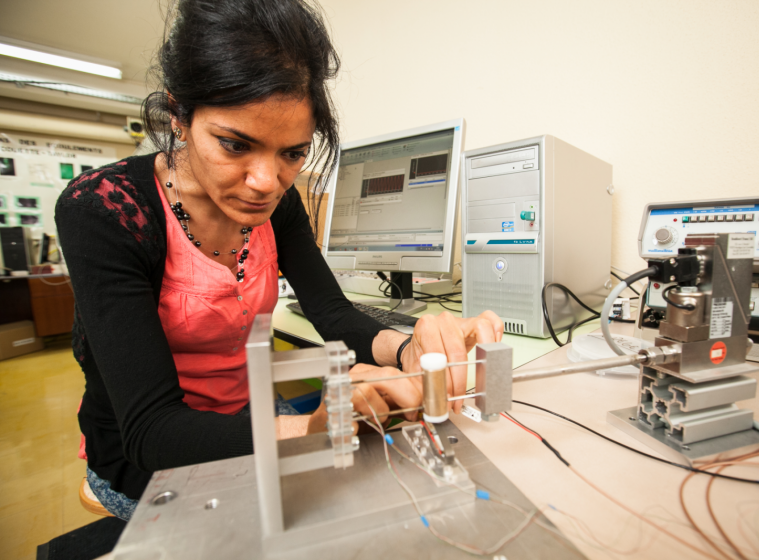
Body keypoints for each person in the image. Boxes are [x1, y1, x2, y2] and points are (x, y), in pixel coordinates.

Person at [55, 0, 502, 521]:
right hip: (148, 462)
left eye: (292, 153)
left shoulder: (279, 207)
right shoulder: (105, 211)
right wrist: (312, 428)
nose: (267, 182)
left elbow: (332, 315)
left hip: (250, 418)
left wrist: (408, 349)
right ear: (178, 116)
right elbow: (153, 432)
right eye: (234, 144)